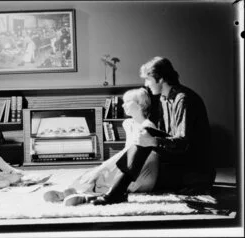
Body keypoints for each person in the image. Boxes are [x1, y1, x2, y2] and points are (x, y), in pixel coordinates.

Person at [91, 56, 216, 205]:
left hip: (194, 170)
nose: (146, 84)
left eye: (148, 80)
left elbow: (184, 143)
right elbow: (166, 137)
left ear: (161, 79)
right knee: (146, 133)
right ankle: (116, 188)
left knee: (148, 138)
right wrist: (150, 140)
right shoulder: (164, 98)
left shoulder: (183, 99)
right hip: (177, 160)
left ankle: (116, 190)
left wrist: (153, 141)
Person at [43, 87, 159, 205]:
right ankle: (71, 191)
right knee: (95, 173)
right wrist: (101, 169)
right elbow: (125, 155)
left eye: (127, 102)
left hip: (141, 173)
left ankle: (83, 195)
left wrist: (102, 169)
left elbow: (133, 154)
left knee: (102, 174)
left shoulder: (147, 126)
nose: (123, 106)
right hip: (129, 165)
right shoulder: (128, 123)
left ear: (140, 105)